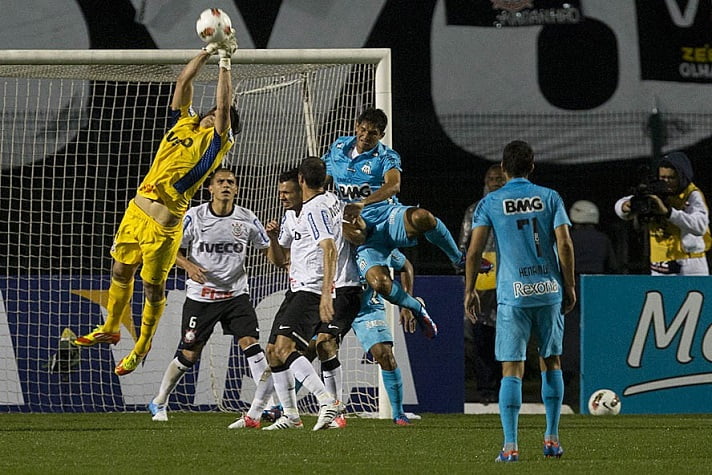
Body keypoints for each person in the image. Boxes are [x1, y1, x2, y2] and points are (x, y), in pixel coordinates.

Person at [74, 34, 241, 376]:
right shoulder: (184, 122)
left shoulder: (217, 143)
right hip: (137, 210)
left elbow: (224, 107)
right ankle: (111, 326)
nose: (212, 114)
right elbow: (183, 80)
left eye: (217, 115)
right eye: (209, 112)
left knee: (153, 287)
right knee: (120, 271)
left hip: (164, 224)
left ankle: (142, 344)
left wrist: (225, 62)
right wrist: (207, 51)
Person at [464, 140, 576, 463]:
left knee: (511, 367)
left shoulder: (491, 202)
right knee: (550, 361)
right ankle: (552, 439)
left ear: (503, 168)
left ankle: (510, 445)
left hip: (513, 294)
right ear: (533, 165)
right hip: (548, 290)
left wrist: (469, 289)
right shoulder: (550, 197)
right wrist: (568, 284)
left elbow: (474, 251)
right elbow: (565, 244)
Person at [322, 107, 463, 340]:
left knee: (423, 217)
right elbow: (322, 179)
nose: (366, 136)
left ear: (382, 135)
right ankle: (416, 307)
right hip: (361, 233)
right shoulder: (338, 147)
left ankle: (458, 258)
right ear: (357, 126)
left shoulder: (387, 156)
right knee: (379, 283)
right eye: (363, 130)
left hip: (387, 218)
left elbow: (394, 185)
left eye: (373, 133)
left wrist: (363, 202)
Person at [147, 168, 274, 421]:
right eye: (221, 182)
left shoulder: (247, 218)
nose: (226, 185)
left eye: (231, 182)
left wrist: (286, 261)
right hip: (202, 298)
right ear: (210, 188)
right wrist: (190, 267)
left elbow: (267, 248)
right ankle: (160, 400)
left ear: (236, 189)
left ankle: (266, 404)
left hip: (236, 295)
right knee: (189, 354)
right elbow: (169, 248)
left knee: (251, 345)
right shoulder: (195, 217)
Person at [251, 157, 345, 431]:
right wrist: (272, 237)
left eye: (287, 192)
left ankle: (328, 401)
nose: (283, 197)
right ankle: (291, 416)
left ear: (301, 182)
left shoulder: (315, 209)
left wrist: (327, 294)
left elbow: (329, 248)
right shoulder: (313, 207)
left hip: (312, 289)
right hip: (297, 289)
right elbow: (280, 259)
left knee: (285, 348)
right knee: (273, 353)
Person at [614, 151, 710, 275]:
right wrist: (625, 206)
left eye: (671, 178)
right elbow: (623, 203)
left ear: (682, 176)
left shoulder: (691, 195)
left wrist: (669, 213)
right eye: (663, 178)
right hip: (660, 262)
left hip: (689, 262)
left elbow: (700, 226)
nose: (666, 182)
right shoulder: (655, 190)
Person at [351, 248, 417, 425]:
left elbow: (406, 266)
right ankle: (285, 407)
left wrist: (406, 303)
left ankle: (398, 413)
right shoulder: (334, 238)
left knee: (385, 354)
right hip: (336, 305)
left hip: (368, 308)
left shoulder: (376, 244)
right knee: (313, 348)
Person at [564, 199, 620, 410]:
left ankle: (567, 390)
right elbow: (612, 267)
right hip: (596, 291)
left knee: (568, 338)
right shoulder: (603, 239)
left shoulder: (567, 238)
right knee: (595, 337)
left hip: (570, 289)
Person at [459, 164, 505, 403]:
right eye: (491, 178)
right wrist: (464, 272)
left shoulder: (513, 208)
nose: (495, 182)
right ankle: (486, 390)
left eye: (499, 178)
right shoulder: (474, 210)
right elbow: (464, 245)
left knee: (508, 336)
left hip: (509, 279)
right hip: (483, 281)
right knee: (482, 335)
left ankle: (506, 388)